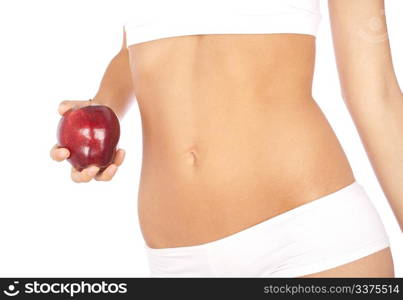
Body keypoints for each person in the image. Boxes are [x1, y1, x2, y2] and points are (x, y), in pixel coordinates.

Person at [50, 0, 401, 277]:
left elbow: (378, 95)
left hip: (310, 239)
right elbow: (139, 43)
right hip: (176, 260)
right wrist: (100, 112)